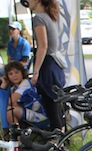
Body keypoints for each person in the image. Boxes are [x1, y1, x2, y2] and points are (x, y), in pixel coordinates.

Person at [27, 0, 66, 130]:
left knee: (50, 105)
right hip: (55, 64)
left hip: (47, 64)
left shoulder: (39, 18)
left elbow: (43, 46)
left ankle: (57, 136)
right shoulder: (50, 16)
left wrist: (35, 71)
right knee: (55, 103)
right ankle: (61, 133)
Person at [1, 61, 49, 129]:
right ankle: (15, 131)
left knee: (9, 110)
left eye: (17, 72)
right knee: (9, 109)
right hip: (28, 114)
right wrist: (4, 84)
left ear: (22, 73)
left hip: (40, 118)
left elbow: (10, 102)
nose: (14, 75)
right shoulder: (14, 88)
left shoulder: (25, 83)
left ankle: (16, 134)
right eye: (10, 74)